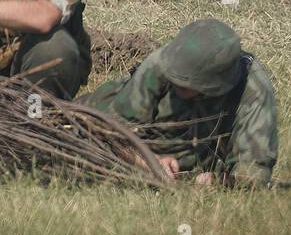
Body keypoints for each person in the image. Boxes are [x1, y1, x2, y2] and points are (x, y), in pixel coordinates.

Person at [81, 19, 278, 188]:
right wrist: (149, 161)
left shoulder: (253, 88)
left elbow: (254, 171)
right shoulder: (161, 63)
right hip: (97, 113)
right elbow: (113, 134)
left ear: (212, 86)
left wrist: (220, 181)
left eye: (184, 83)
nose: (174, 82)